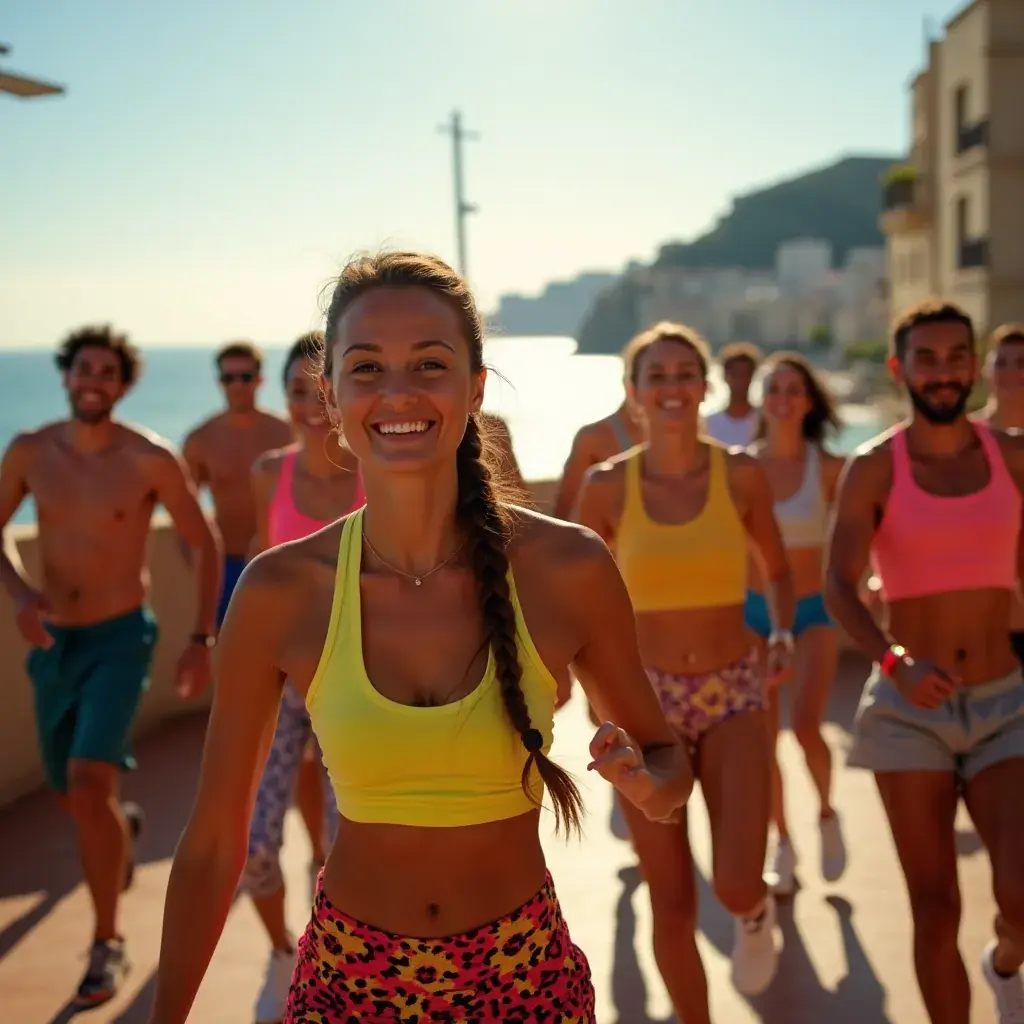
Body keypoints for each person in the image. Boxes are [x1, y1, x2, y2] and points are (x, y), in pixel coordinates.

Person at [146, 252, 693, 1024]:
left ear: (474, 386)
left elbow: (670, 770)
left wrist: (645, 782)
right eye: (366, 368)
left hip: (525, 981)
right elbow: (209, 844)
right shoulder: (279, 591)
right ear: (331, 397)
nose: (398, 392)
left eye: (429, 364)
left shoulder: (567, 567)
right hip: (347, 983)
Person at [574, 320, 794, 1021]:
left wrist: (783, 630)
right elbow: (576, 597)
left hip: (734, 691)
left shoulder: (743, 473)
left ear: (704, 386)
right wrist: (588, 688)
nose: (671, 388)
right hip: (647, 704)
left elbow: (778, 568)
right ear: (633, 392)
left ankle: (755, 915)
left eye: (683, 374)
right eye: (655, 376)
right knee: (670, 900)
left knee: (732, 884)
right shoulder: (607, 487)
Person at [0, 325, 222, 1007]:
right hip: (52, 645)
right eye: (83, 368)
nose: (94, 380)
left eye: (108, 372)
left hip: (122, 641)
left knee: (87, 784)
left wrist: (199, 638)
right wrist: (20, 596)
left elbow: (204, 541)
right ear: (66, 376)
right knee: (78, 798)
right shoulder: (31, 451)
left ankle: (107, 943)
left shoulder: (148, 458)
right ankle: (121, 831)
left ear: (123, 386)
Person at [826, 299, 1024, 1023]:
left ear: (974, 364)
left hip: (1007, 702)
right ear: (899, 368)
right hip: (910, 711)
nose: (944, 373)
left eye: (956, 357)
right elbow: (838, 585)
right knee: (934, 907)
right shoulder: (874, 467)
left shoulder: (1013, 456)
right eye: (927, 358)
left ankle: (1006, 965)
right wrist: (894, 659)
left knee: (1019, 899)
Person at [243, 331, 366, 1024]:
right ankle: (281, 957)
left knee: (346, 845)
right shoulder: (269, 472)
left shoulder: (372, 472)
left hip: (355, 691)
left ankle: (335, 964)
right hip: (280, 687)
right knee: (255, 842)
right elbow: (263, 568)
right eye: (296, 391)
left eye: (320, 392)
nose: (310, 408)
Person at [745, 352, 847, 897]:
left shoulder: (830, 468)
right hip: (752, 613)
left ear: (808, 401)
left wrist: (870, 579)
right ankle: (782, 842)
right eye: (774, 388)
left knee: (807, 725)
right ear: (762, 400)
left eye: (794, 389)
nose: (783, 398)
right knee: (762, 742)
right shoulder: (741, 466)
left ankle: (828, 812)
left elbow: (862, 534)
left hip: (812, 611)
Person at [181, 340, 293, 626]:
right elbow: (185, 509)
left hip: (283, 558)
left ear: (259, 380)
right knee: (230, 656)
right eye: (228, 378)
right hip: (226, 564)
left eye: (244, 377)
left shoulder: (286, 433)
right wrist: (196, 559)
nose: (237, 385)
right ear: (219, 381)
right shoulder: (201, 440)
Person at [552, 352, 645, 522]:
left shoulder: (689, 440)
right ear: (627, 381)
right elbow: (563, 519)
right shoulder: (593, 438)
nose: (669, 387)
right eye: (655, 376)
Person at [704, 341, 763, 447]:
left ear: (753, 376)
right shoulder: (709, 423)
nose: (740, 380)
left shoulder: (764, 421)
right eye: (735, 374)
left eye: (745, 374)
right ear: (725, 376)